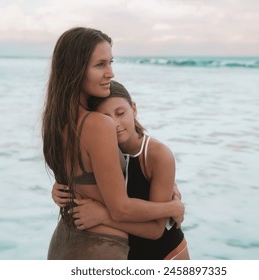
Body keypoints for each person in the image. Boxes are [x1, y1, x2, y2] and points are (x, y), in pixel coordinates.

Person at [42, 27, 184, 260]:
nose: (110, 73)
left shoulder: (55, 123)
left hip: (64, 242)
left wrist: (167, 182)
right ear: (75, 69)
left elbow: (79, 180)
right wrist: (172, 208)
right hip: (100, 249)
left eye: (110, 63)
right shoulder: (97, 124)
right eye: (100, 65)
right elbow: (120, 207)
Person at [52, 80, 190, 260]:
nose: (115, 123)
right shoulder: (98, 152)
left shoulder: (157, 155)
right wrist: (60, 188)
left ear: (133, 109)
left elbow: (156, 230)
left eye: (120, 113)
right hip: (125, 254)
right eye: (106, 118)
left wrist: (103, 217)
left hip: (166, 255)